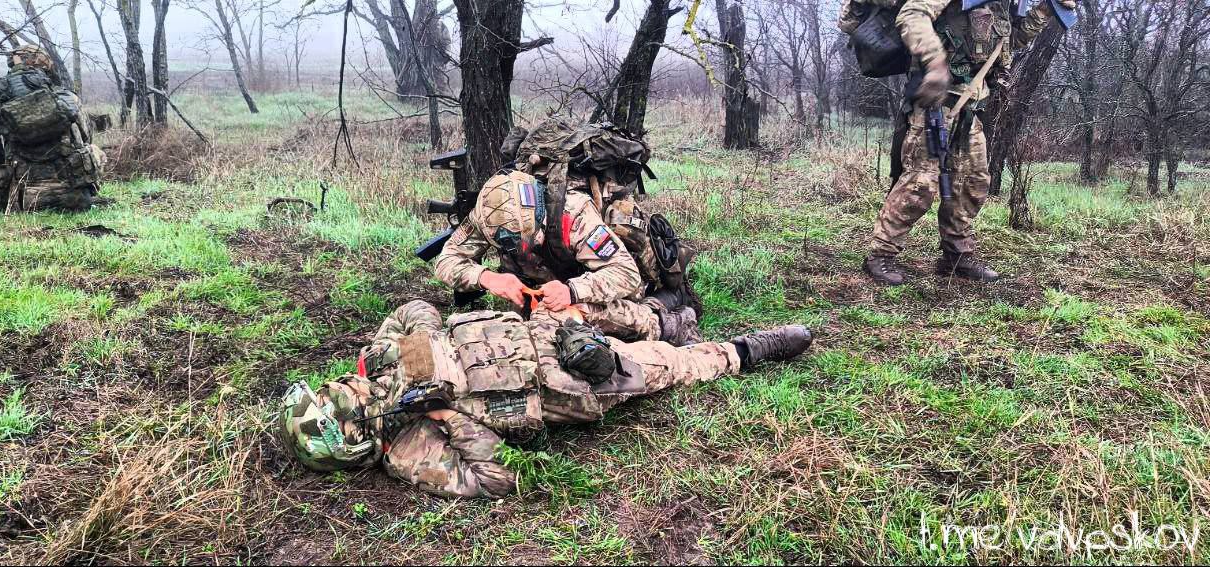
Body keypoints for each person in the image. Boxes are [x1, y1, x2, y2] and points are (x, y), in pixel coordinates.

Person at [279, 300, 813, 498]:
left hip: (539, 328)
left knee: (603, 308)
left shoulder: (376, 359)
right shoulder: (408, 448)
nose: (345, 391)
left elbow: (414, 310)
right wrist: (447, 417)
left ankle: (670, 317)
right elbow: (497, 477)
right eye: (340, 404)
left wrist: (421, 341)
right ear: (354, 439)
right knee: (665, 366)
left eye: (333, 391)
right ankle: (747, 350)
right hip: (563, 383)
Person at [859, 0, 1074, 285]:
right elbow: (912, 14)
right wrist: (935, 63)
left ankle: (956, 255)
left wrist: (1044, 11)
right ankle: (881, 254)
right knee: (920, 183)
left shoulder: (1003, 4)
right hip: (935, 105)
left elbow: (1011, 41)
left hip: (970, 107)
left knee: (972, 182)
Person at [433, 164, 700, 346]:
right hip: (546, 288)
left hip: (591, 281)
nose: (517, 250)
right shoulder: (490, 213)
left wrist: (572, 291)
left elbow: (626, 274)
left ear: (538, 219)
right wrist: (488, 278)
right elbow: (446, 261)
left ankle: (668, 319)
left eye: (523, 241)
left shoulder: (574, 214)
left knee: (577, 316)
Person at [0, 45, 105, 212]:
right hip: (74, 196)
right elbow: (86, 136)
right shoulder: (65, 97)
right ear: (43, 66)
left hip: (26, 200)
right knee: (95, 150)